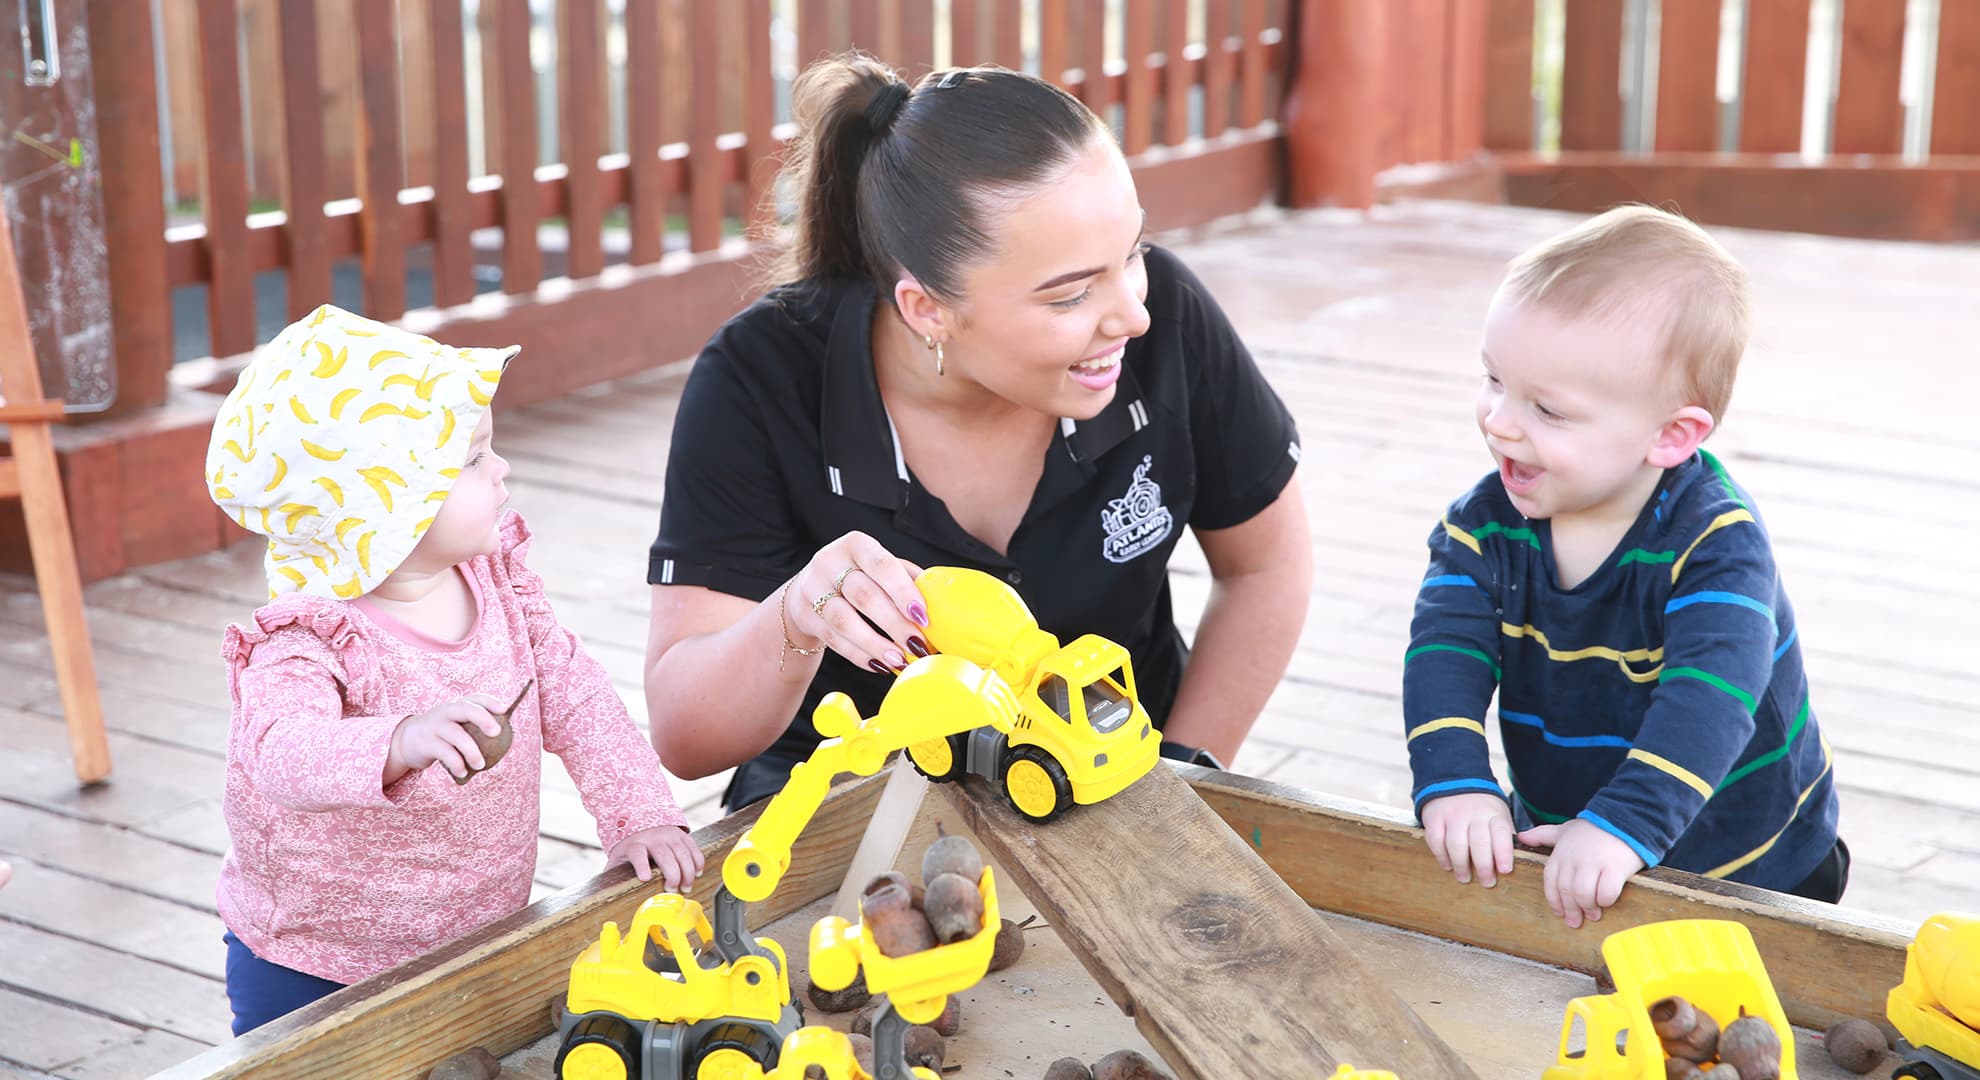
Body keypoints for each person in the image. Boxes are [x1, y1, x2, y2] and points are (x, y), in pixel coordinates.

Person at [644, 56, 1312, 812]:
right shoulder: (760, 376)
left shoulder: (1169, 323)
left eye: (1132, 253)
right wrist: (795, 615)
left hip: (1113, 768)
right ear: (927, 309)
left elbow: (1265, 567)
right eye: (1070, 295)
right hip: (845, 796)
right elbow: (686, 737)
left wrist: (1183, 776)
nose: (1135, 314)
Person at [205, 305, 701, 1035]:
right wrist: (398, 740)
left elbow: (577, 695)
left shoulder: (496, 582)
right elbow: (280, 752)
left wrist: (640, 816)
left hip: (474, 934)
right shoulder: (309, 636)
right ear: (385, 508)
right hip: (315, 961)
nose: (500, 469)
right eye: (472, 459)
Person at [1402, 206, 1844, 928]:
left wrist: (1624, 824)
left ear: (1670, 436)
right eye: (1494, 380)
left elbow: (1710, 699)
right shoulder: (1482, 526)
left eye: (1547, 410)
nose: (1500, 422)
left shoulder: (1716, 543)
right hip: (1570, 832)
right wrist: (1455, 780)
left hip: (1748, 858)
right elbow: (1445, 655)